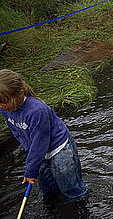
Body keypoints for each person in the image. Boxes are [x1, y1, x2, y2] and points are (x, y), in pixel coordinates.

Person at [0, 70, 88, 202]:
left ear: (20, 94)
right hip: (38, 151)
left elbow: (40, 143)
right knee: (48, 189)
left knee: (70, 188)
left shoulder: (37, 111)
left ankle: (81, 209)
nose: (1, 106)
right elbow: (17, 132)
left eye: (4, 102)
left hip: (59, 149)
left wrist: (30, 169)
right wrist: (30, 155)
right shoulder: (6, 109)